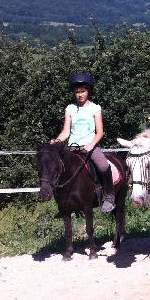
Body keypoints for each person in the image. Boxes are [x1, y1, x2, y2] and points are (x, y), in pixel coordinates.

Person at [50, 72, 115, 212]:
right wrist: (57, 140)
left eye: (83, 91)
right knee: (56, 167)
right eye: (77, 92)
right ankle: (62, 199)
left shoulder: (95, 108)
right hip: (72, 148)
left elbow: (100, 132)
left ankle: (109, 195)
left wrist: (91, 144)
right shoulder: (70, 109)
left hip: (89, 147)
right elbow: (66, 131)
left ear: (88, 91)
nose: (80, 95)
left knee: (103, 166)